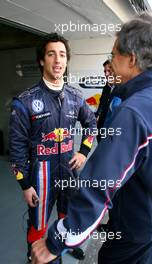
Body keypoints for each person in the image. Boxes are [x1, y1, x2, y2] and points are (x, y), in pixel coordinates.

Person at [32, 14, 152, 264]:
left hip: (136, 223)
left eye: (113, 55)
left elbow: (99, 185)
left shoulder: (134, 112)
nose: (110, 62)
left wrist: (57, 239)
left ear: (131, 59)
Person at [9, 33, 96, 263]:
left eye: (62, 55)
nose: (58, 60)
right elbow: (16, 148)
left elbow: (91, 123)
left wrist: (83, 152)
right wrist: (24, 185)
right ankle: (35, 256)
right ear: (41, 60)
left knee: (68, 217)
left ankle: (64, 248)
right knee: (37, 225)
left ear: (66, 61)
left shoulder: (76, 97)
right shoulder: (25, 101)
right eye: (51, 54)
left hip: (68, 173)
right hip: (40, 178)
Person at [96, 60, 120, 142]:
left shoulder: (122, 89)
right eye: (105, 71)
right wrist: (97, 115)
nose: (106, 74)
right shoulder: (106, 88)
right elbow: (101, 105)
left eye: (109, 71)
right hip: (101, 133)